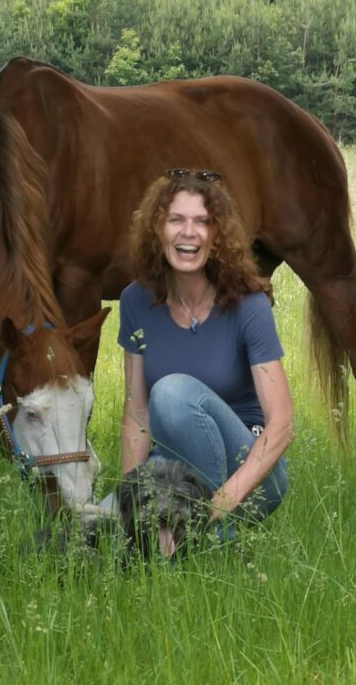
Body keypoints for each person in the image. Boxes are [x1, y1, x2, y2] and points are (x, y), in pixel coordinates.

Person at [110, 167, 294, 538]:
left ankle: (211, 538)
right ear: (157, 230)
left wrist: (223, 502)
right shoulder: (135, 301)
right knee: (96, 531)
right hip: (172, 468)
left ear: (217, 235)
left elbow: (282, 423)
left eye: (202, 222)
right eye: (175, 219)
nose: (188, 232)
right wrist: (133, 500)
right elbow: (137, 412)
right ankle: (178, 537)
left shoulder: (249, 304)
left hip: (252, 471)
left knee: (173, 392)